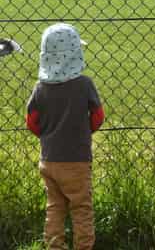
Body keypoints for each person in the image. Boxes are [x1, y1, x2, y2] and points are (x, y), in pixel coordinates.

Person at [26, 23, 105, 250]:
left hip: (49, 159)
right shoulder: (84, 85)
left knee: (55, 208)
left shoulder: (40, 88)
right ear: (75, 55)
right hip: (77, 160)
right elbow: (98, 117)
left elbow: (31, 122)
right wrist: (80, 132)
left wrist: (50, 135)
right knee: (81, 208)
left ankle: (54, 246)